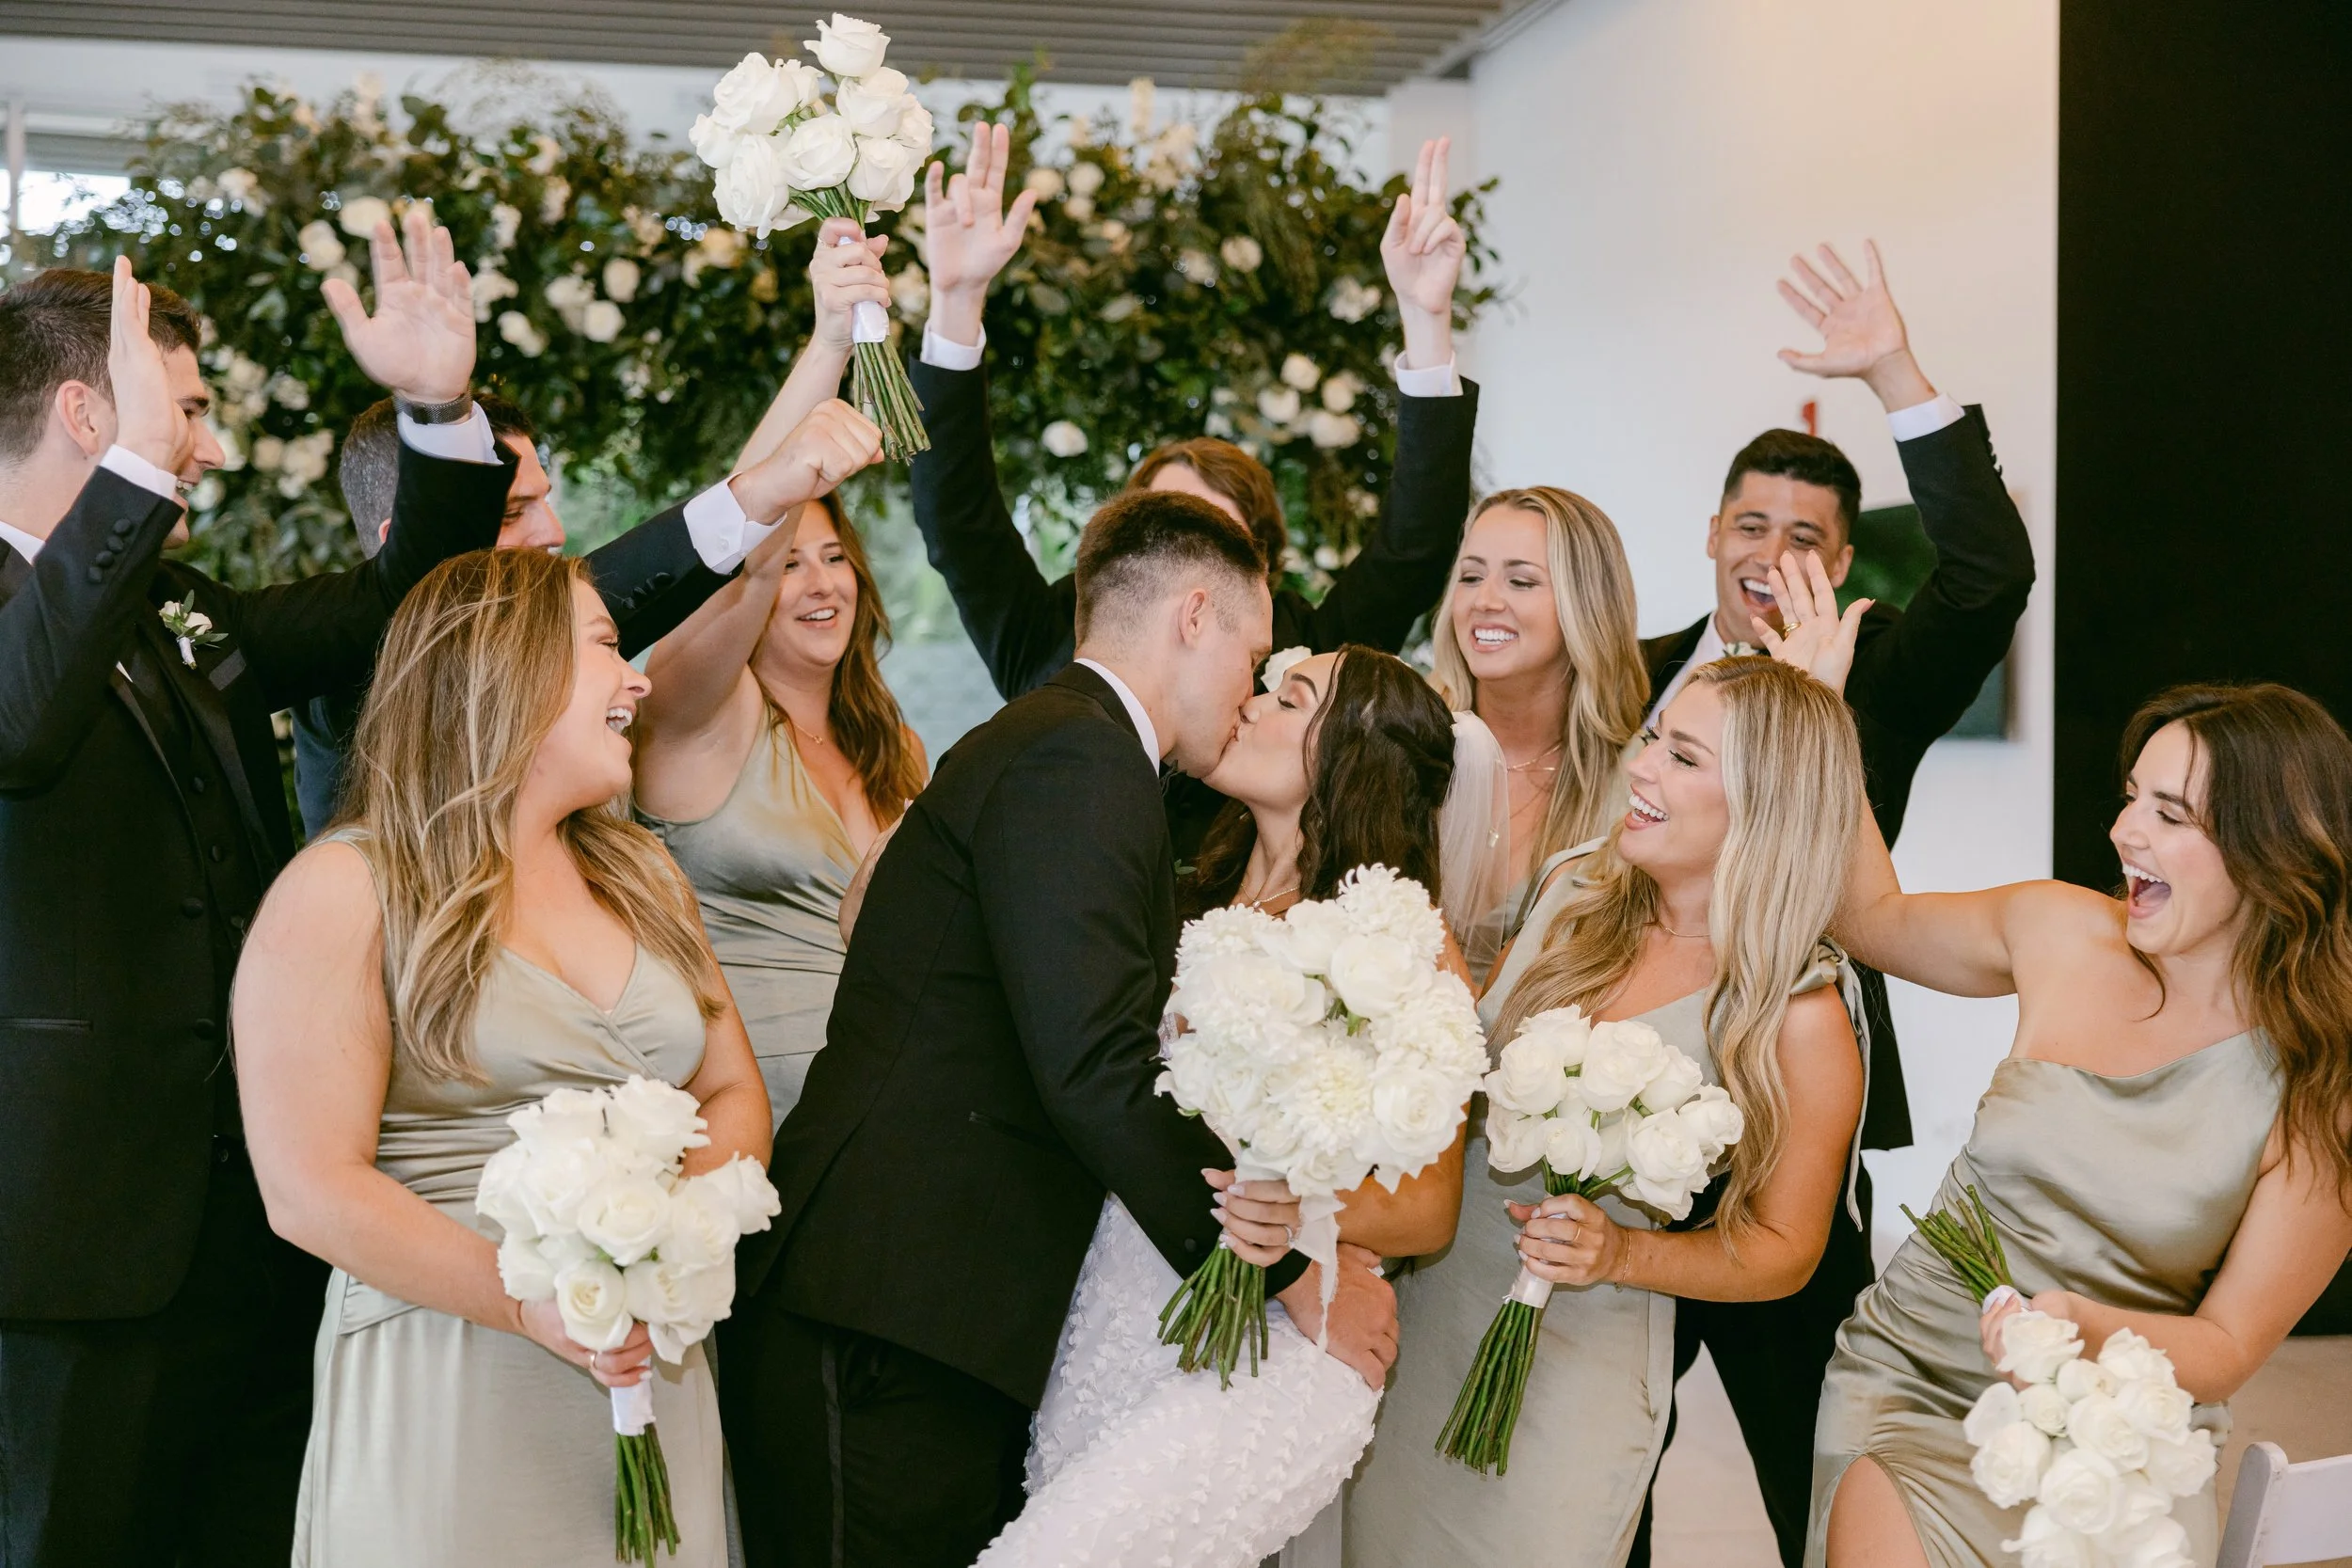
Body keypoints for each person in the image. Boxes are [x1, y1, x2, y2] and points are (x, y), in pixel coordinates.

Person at [720, 489, 1400, 1568]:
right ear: (1192, 616)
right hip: (888, 1305)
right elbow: (1095, 1064)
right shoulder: (1076, 757)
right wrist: (1291, 1277)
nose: (1250, 689)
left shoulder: (1068, 745)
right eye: (1254, 653)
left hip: (931, 1308)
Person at [0, 226, 504, 1567]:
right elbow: (18, 723)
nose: (211, 446)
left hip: (246, 1234)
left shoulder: (181, 607)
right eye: (193, 410)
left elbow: (407, 604)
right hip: (58, 1251)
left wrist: (439, 412)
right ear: (87, 411)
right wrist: (132, 480)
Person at [230, 547, 786, 1566]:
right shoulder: (347, 888)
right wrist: (533, 1300)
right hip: (452, 1372)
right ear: (508, 668)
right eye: (608, 648)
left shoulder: (643, 871)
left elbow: (728, 1084)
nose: (639, 678)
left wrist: (664, 1239)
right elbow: (307, 1187)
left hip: (648, 1363)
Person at [1629, 243, 2038, 1568]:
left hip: (1789, 1124)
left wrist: (1892, 375)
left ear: (1845, 556)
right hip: (1598, 1117)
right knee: (1592, 1468)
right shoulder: (1622, 679)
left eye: (1806, 534)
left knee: (1819, 1453)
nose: (1772, 553)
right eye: (1751, 524)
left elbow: (1989, 576)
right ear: (1711, 531)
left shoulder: (1878, 681)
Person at [1811, 675, 2352, 1568]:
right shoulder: (2060, 927)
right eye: (2131, 797)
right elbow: (1868, 918)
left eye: (2171, 813)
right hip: (1915, 1387)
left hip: (2120, 1426)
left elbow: (2225, 1347)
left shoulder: (2318, 1085)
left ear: (2273, 850)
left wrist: (2074, 1321)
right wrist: (1826, 711)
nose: (2124, 831)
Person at [1350, 651, 1868, 1568]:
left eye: (1684, 757)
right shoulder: (1572, 894)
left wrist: (1622, 1249)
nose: (1641, 767)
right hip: (1425, 1318)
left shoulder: (1799, 1015)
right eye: (1653, 738)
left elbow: (1785, 1248)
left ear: (1768, 800)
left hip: (1578, 1380)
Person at [973, 644, 1480, 1565]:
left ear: (1351, 757)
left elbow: (1428, 1207)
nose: (1247, 705)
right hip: (1115, 1311)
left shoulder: (1400, 942)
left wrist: (1289, 1209)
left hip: (1279, 1339)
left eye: (1290, 697)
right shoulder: (1176, 898)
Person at [901, 125, 1482, 853]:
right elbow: (958, 519)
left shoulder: (1303, 651)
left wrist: (1426, 324)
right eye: (1164, 529)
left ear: (1264, 568)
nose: (1189, 574)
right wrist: (955, 307)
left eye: (1217, 539)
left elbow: (1413, 549)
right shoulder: (1055, 630)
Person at [291, 233, 888, 836]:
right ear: (417, 539)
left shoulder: (562, 633)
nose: (553, 533)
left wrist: (830, 343)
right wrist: (764, 487)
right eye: (511, 514)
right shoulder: (355, 677)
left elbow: (712, 530)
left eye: (545, 502)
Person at [632, 369, 921, 1122]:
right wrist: (828, 342)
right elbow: (741, 558)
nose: (821, 585)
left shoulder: (896, 746)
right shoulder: (700, 720)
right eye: (791, 564)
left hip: (894, 1104)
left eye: (833, 558)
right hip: (756, 1120)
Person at [1427, 484, 1649, 974]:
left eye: (1521, 582)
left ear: (1587, 605)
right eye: (1470, 576)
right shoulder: (1403, 741)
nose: (1484, 600)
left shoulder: (1636, 788)